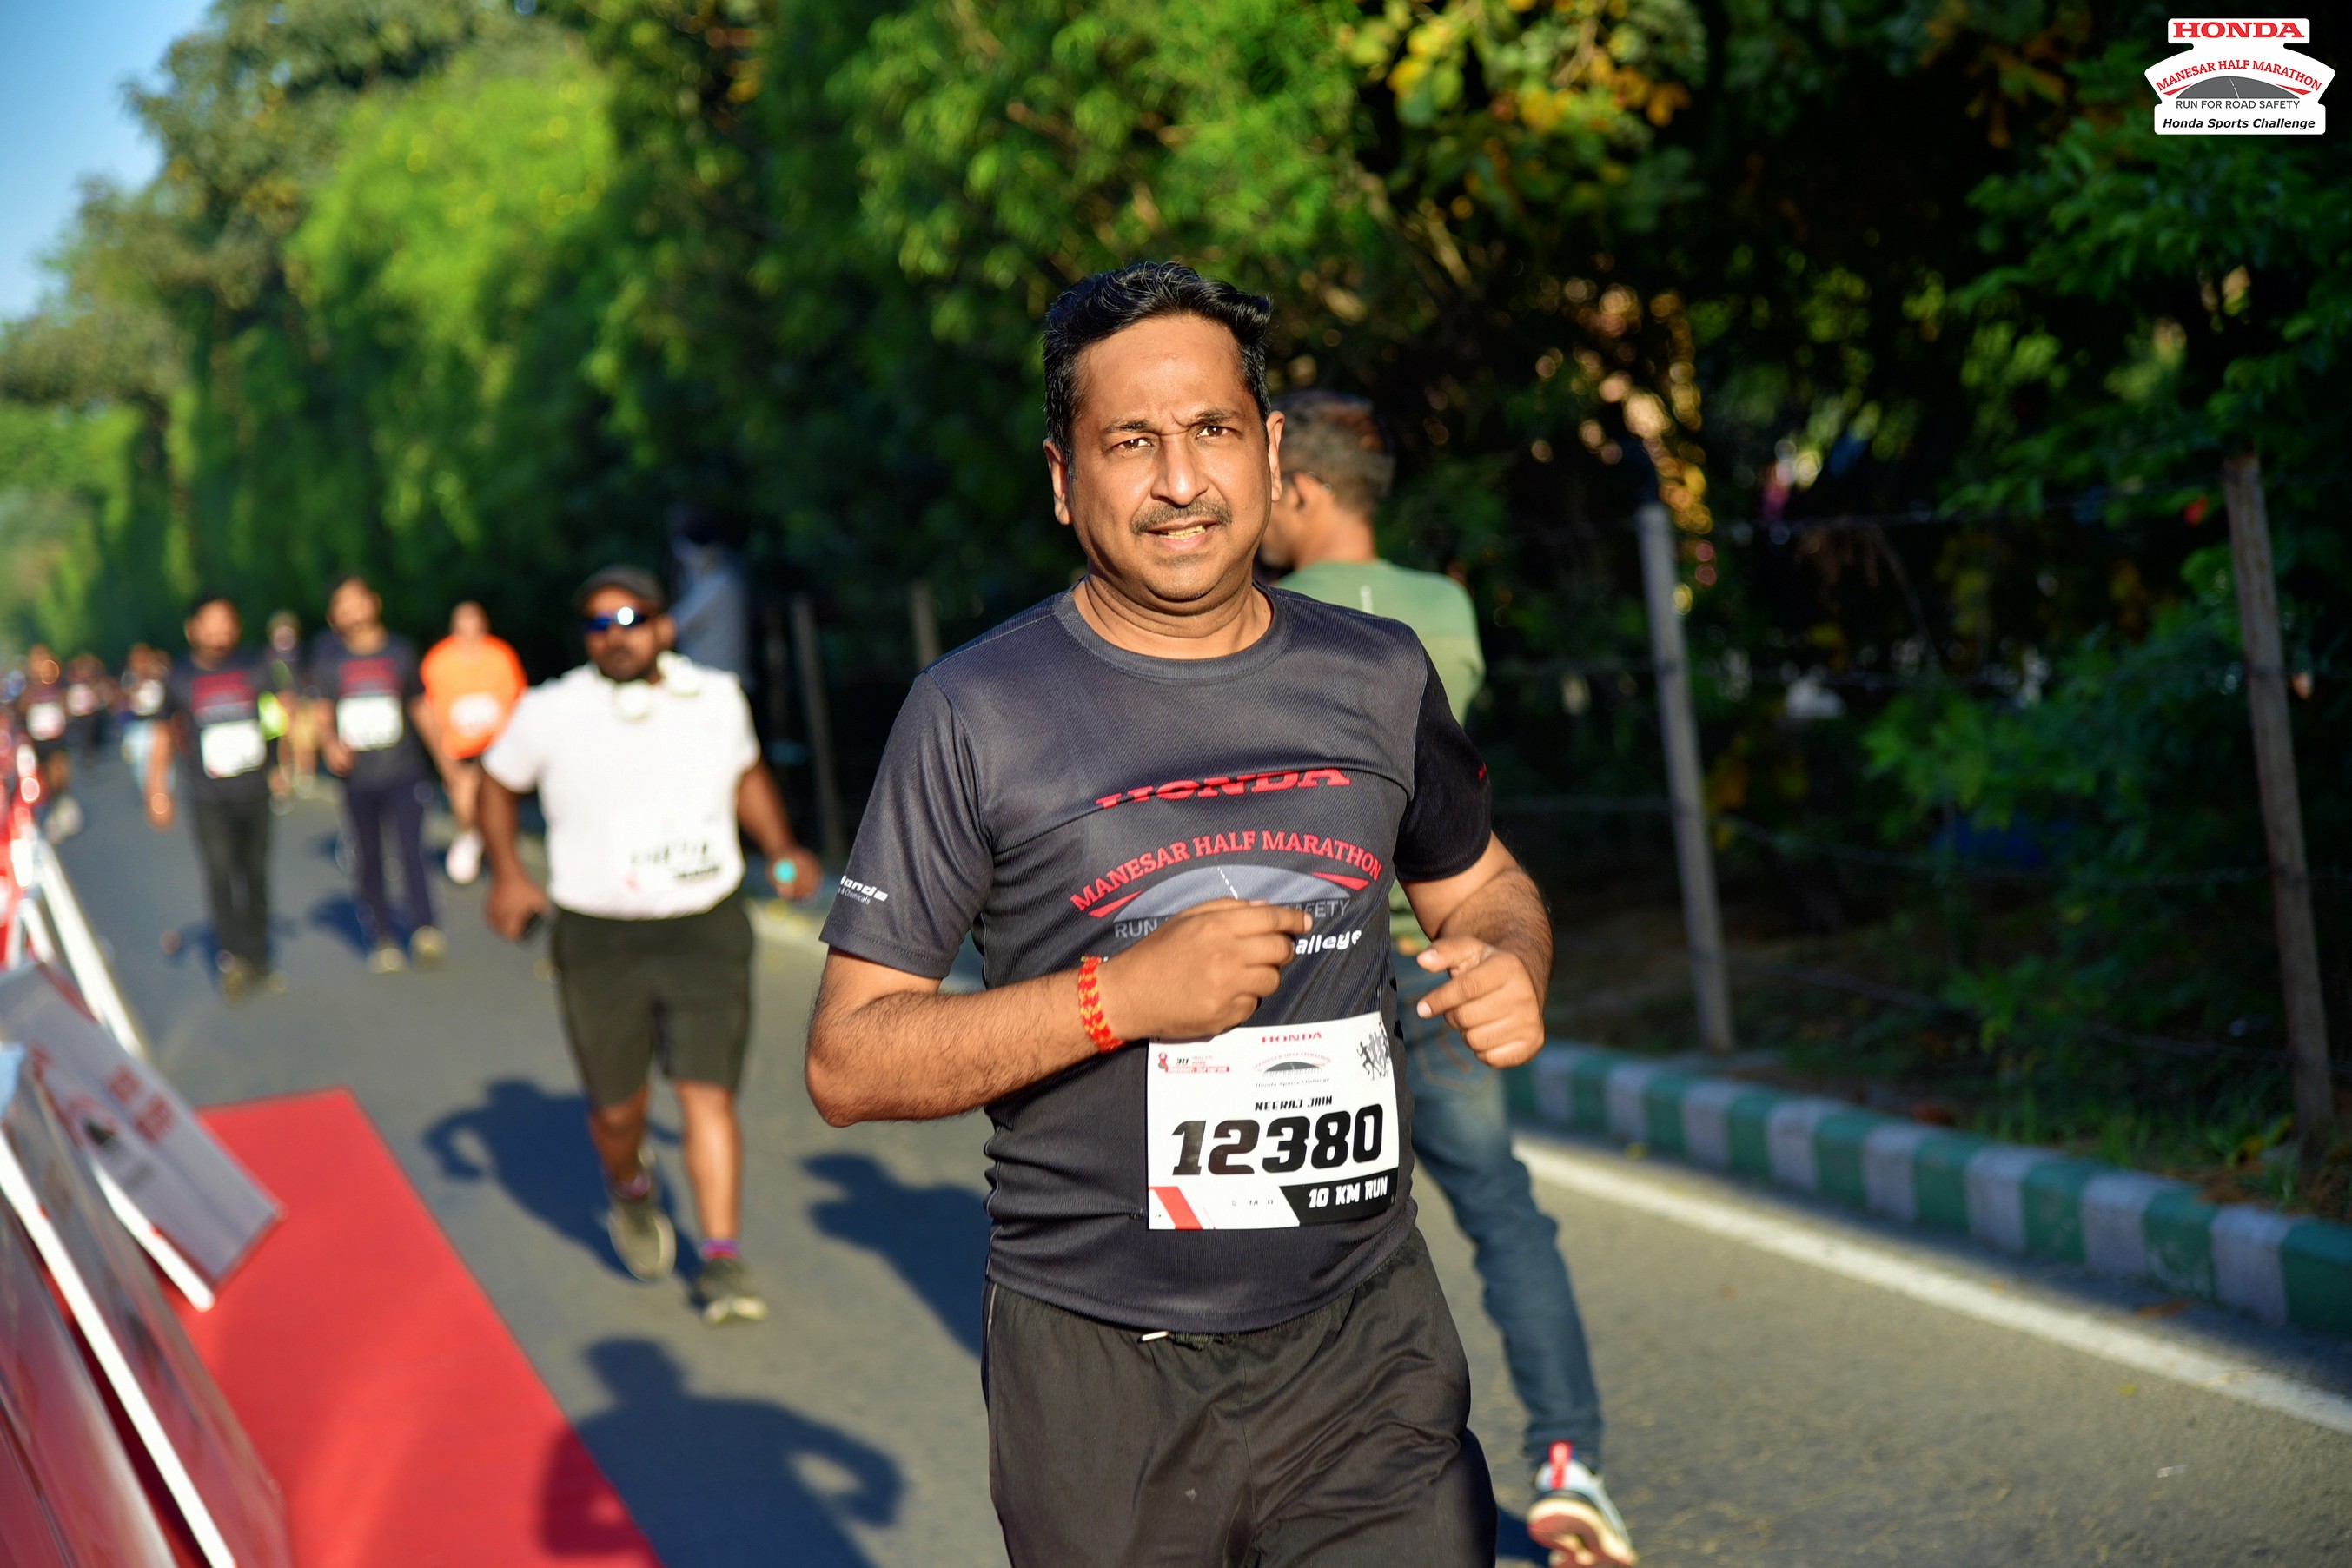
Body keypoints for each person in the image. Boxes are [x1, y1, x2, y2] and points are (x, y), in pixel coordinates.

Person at [806, 262, 1554, 1567]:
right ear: (1062, 479)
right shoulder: (976, 712)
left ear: (1267, 449)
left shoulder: (1377, 673)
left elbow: (1483, 882)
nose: (1179, 480)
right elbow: (847, 1058)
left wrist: (1508, 955)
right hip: (1102, 1373)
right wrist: (1120, 997)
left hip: (1365, 1344)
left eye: (1211, 429)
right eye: (1130, 443)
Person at [1262, 390, 1633, 1568]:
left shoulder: (1265, 621)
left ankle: (1311, 1480)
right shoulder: (1446, 608)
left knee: (1303, 1238)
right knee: (1502, 1210)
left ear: (1300, 490)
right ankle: (1571, 1463)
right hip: (1445, 950)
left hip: (1315, 970)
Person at [479, 566, 822, 1326]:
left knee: (707, 1093)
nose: (615, 636)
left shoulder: (716, 698)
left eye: (631, 619)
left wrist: (781, 847)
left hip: (704, 924)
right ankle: (631, 1187)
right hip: (599, 936)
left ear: (664, 625)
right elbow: (496, 783)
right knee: (616, 1111)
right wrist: (508, 874)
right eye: (598, 625)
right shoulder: (550, 711)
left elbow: (746, 773)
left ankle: (722, 1256)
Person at [144, 595, 283, 1002]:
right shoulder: (179, 678)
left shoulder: (256, 666)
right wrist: (157, 789)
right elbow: (163, 734)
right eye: (211, 622)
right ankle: (232, 958)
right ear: (193, 629)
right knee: (220, 872)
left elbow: (276, 718)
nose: (220, 630)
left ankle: (259, 955)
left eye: (227, 620)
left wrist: (282, 764)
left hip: (254, 790)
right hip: (208, 795)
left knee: (254, 872)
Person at [306, 575, 446, 972]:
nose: (351, 610)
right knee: (368, 857)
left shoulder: (400, 652)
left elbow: (419, 706)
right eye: (342, 604)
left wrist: (446, 762)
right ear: (333, 616)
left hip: (403, 769)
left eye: (357, 600)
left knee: (412, 849)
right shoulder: (329, 662)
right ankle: (382, 935)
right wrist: (330, 745)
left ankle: (425, 927)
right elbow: (322, 713)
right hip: (358, 778)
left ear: (374, 602)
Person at [420, 601, 528, 886]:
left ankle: (500, 850)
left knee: (498, 801)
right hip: (459, 745)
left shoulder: (500, 655)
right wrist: (442, 752)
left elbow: (518, 697)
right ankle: (470, 835)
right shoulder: (439, 660)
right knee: (465, 800)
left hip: (496, 744)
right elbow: (428, 706)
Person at [15, 645, 82, 841]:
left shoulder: (58, 685)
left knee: (60, 771)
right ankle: (55, 809)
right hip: (39, 740)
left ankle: (65, 800)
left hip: (57, 738)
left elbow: (67, 706)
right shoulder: (28, 689)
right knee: (47, 778)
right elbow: (21, 712)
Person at [264, 610, 316, 802]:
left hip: (302, 702)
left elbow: (308, 677)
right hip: (278, 706)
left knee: (304, 740)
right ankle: (285, 776)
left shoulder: (302, 653)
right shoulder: (269, 656)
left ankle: (305, 774)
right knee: (283, 742)